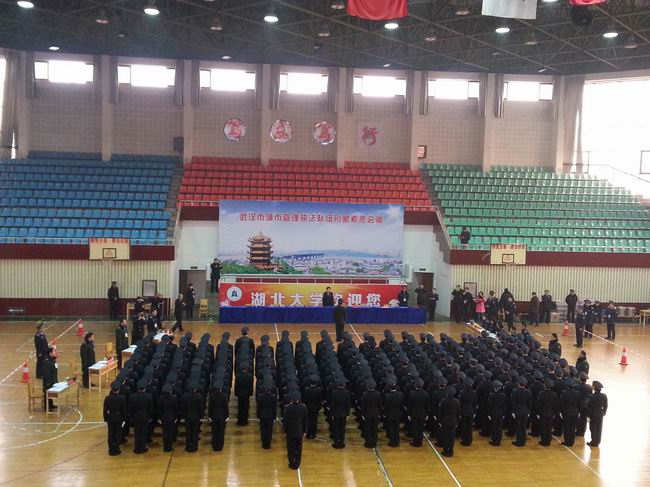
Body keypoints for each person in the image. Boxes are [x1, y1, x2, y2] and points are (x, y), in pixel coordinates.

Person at [283, 392, 307, 470]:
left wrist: (285, 431)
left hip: (290, 431)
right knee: (299, 448)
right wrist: (304, 431)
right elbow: (305, 420)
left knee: (290, 448)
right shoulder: (303, 407)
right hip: (299, 431)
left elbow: (285, 421)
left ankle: (291, 463)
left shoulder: (287, 408)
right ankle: (297, 463)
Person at [129, 380, 153, 454]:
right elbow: (150, 408)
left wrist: (131, 417)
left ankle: (137, 448)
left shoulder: (132, 396)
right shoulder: (148, 396)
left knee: (137, 433)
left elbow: (130, 408)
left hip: (136, 416)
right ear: (145, 388)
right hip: (145, 416)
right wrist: (150, 417)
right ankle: (142, 448)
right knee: (143, 433)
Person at [104, 381, 127, 455]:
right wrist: (124, 418)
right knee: (118, 433)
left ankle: (111, 449)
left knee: (110, 433)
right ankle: (117, 448)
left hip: (110, 417)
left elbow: (105, 410)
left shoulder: (107, 398)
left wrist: (106, 418)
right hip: (119, 417)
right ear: (119, 389)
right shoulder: (122, 398)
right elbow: (123, 409)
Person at [511, 376, 532, 447]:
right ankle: (523, 440)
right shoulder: (528, 391)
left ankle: (519, 441)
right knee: (524, 426)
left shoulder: (515, 391)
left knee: (518, 426)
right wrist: (529, 411)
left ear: (518, 384)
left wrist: (513, 411)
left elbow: (513, 403)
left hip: (517, 411)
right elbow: (530, 403)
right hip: (525, 411)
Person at [181, 385, 204, 452]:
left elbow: (183, 408)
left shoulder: (184, 396)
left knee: (188, 432)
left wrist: (183, 416)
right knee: (195, 431)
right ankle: (195, 446)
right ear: (195, 389)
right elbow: (200, 408)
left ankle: (188, 446)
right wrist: (201, 416)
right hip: (195, 416)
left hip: (187, 416)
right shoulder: (199, 396)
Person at [439, 387, 460, 457]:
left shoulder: (443, 401)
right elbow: (458, 413)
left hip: (445, 419)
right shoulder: (457, 401)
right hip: (453, 420)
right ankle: (451, 450)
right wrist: (457, 421)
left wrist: (440, 421)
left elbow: (440, 412)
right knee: (452, 436)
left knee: (445, 436)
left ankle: (445, 450)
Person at [407, 378, 429, 447]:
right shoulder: (426, 393)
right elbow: (427, 405)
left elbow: (410, 405)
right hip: (423, 413)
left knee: (415, 428)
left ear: (415, 385)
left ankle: (415, 441)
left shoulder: (412, 393)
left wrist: (409, 414)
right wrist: (427, 414)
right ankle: (420, 441)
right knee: (421, 428)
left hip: (414, 413)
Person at [536, 378, 557, 447]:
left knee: (543, 427)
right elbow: (555, 405)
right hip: (550, 412)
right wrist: (554, 413)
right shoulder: (554, 394)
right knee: (549, 427)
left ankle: (544, 441)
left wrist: (538, 413)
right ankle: (548, 441)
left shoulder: (541, 393)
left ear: (544, 386)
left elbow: (539, 404)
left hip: (543, 413)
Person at [330, 379, 350, 449]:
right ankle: (341, 442)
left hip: (336, 413)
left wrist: (331, 413)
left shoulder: (334, 392)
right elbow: (348, 404)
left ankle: (336, 442)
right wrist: (348, 414)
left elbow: (332, 404)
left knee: (336, 428)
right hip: (344, 413)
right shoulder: (347, 392)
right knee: (342, 428)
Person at [360, 380, 381, 448]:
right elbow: (379, 404)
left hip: (367, 413)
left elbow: (363, 405)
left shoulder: (365, 394)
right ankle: (374, 442)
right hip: (375, 413)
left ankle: (368, 442)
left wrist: (362, 414)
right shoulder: (378, 394)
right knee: (375, 428)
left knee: (368, 428)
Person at [208, 385, 229, 452]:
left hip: (214, 415)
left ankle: (215, 446)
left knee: (214, 432)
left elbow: (210, 407)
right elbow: (226, 407)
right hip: (222, 416)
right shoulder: (224, 396)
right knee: (221, 432)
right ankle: (220, 446)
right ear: (220, 389)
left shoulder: (211, 396)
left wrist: (209, 416)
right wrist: (227, 416)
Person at [159, 384, 179, 452]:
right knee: (170, 433)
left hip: (164, 417)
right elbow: (175, 409)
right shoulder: (174, 398)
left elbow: (160, 410)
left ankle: (165, 447)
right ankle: (169, 447)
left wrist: (160, 418)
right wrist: (176, 417)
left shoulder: (161, 398)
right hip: (171, 417)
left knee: (164, 432)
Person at [587, 381, 607, 447]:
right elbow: (605, 405)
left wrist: (588, 416)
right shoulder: (604, 396)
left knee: (593, 428)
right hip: (600, 413)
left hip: (593, 414)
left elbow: (590, 407)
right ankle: (598, 441)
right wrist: (603, 412)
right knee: (599, 428)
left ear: (594, 388)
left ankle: (593, 441)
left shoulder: (592, 396)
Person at [384, 379, 404, 447]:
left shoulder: (387, 395)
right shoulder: (400, 394)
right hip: (398, 414)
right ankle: (397, 441)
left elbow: (386, 406)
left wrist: (385, 414)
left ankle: (392, 442)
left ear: (389, 388)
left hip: (390, 414)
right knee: (397, 428)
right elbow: (402, 405)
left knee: (391, 428)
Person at [459, 377, 477, 446]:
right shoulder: (474, 393)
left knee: (464, 427)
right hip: (471, 410)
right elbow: (475, 403)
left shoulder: (462, 393)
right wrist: (474, 412)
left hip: (464, 411)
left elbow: (461, 403)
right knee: (470, 427)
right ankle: (469, 440)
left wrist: (460, 412)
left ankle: (465, 440)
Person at [488, 380, 506, 446]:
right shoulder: (503, 395)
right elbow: (504, 406)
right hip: (501, 413)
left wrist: (489, 414)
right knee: (499, 427)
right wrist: (504, 413)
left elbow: (490, 406)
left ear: (494, 387)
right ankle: (499, 439)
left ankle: (494, 440)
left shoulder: (491, 395)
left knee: (494, 427)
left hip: (493, 413)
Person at [41, 347, 57, 411]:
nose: (55, 353)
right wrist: (48, 382)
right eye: (53, 352)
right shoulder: (46, 361)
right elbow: (46, 373)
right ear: (50, 353)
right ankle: (46, 406)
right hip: (48, 381)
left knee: (51, 393)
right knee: (47, 393)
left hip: (53, 379)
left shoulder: (53, 360)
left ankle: (51, 404)